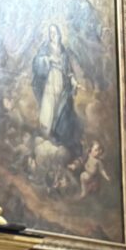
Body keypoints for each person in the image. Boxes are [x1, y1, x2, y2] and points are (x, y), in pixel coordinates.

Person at [31, 24, 83, 157]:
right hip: (50, 81)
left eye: (55, 32)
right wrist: (48, 59)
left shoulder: (64, 51)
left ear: (60, 34)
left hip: (61, 83)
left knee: (60, 109)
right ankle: (46, 135)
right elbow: (36, 62)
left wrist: (74, 82)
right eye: (51, 33)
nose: (53, 35)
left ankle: (57, 136)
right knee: (49, 107)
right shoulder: (46, 48)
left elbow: (68, 71)